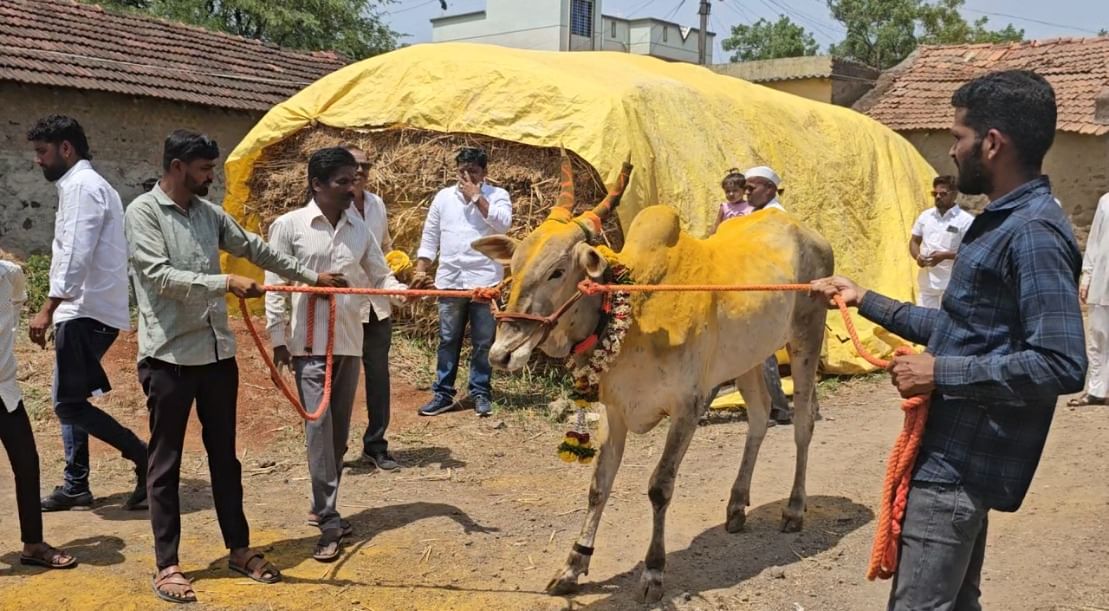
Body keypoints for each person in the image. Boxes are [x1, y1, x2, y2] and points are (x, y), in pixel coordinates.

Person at [812, 70, 1086, 611]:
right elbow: (966, 330)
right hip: (952, 452)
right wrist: (865, 298)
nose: (952, 151)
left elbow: (1061, 362)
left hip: (961, 465)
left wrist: (940, 373)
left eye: (958, 136)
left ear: (992, 143)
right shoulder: (1003, 220)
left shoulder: (1031, 232)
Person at [125, 130, 347, 603]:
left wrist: (311, 277)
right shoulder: (142, 213)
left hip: (217, 356)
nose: (211, 177)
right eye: (205, 169)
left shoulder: (209, 215)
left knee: (225, 458)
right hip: (169, 359)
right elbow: (159, 277)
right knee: (164, 464)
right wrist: (224, 281)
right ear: (179, 166)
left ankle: (239, 549)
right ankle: (168, 566)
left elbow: (256, 249)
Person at [266, 147, 406, 562]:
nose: (352, 187)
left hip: (348, 340)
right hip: (308, 345)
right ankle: (328, 518)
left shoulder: (358, 227)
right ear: (317, 184)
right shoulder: (289, 226)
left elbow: (380, 275)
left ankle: (320, 500)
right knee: (319, 428)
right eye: (343, 181)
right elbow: (275, 283)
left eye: (354, 179)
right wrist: (278, 339)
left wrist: (409, 293)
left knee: (339, 431)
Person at [26, 115, 148, 513]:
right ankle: (76, 484)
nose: (38, 161)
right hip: (86, 308)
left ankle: (144, 457)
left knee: (67, 404)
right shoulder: (86, 185)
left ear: (66, 148)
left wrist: (48, 306)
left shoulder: (82, 186)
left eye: (43, 152)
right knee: (69, 396)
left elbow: (76, 252)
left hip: (83, 309)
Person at [412, 147, 512, 418]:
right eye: (461, 172)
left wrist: (477, 197)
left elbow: (503, 225)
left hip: (484, 281)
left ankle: (479, 391)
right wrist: (421, 269)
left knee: (482, 341)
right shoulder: (443, 198)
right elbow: (430, 235)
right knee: (448, 339)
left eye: (473, 172)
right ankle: (443, 393)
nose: (466, 177)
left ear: (485, 173)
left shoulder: (498, 196)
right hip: (451, 280)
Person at [1, 257, 77, 570]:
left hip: (5, 391)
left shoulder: (9, 274)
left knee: (27, 464)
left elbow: (17, 303)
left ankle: (33, 543)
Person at [341, 143, 400, 469]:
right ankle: (335, 449)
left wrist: (397, 274)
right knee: (341, 381)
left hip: (377, 306)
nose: (361, 171)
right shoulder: (330, 206)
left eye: (366, 165)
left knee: (378, 377)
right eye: (354, 165)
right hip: (346, 307)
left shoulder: (377, 204)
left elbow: (385, 246)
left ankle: (376, 445)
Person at [741, 164, 792, 423]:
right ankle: (777, 408)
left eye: (752, 188)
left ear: (770, 189)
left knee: (761, 353)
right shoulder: (757, 214)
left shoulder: (775, 218)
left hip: (768, 295)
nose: (747, 193)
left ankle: (779, 408)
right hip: (754, 292)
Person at [909, 176, 974, 309]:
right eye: (935, 193)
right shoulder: (925, 216)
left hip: (953, 284)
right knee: (924, 324)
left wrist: (944, 256)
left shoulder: (965, 220)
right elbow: (914, 241)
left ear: (955, 194)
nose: (938, 197)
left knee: (947, 325)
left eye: (943, 194)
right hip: (927, 284)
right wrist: (918, 256)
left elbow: (972, 252)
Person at [1071, 191, 1109, 406]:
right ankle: (1096, 390)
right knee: (1097, 337)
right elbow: (1094, 242)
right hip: (1102, 280)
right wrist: (1087, 276)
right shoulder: (1106, 201)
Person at [710, 169, 751, 233]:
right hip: (726, 239)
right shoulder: (724, 207)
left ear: (744, 190)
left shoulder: (750, 206)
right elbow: (716, 225)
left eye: (735, 190)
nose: (731, 194)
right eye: (727, 191)